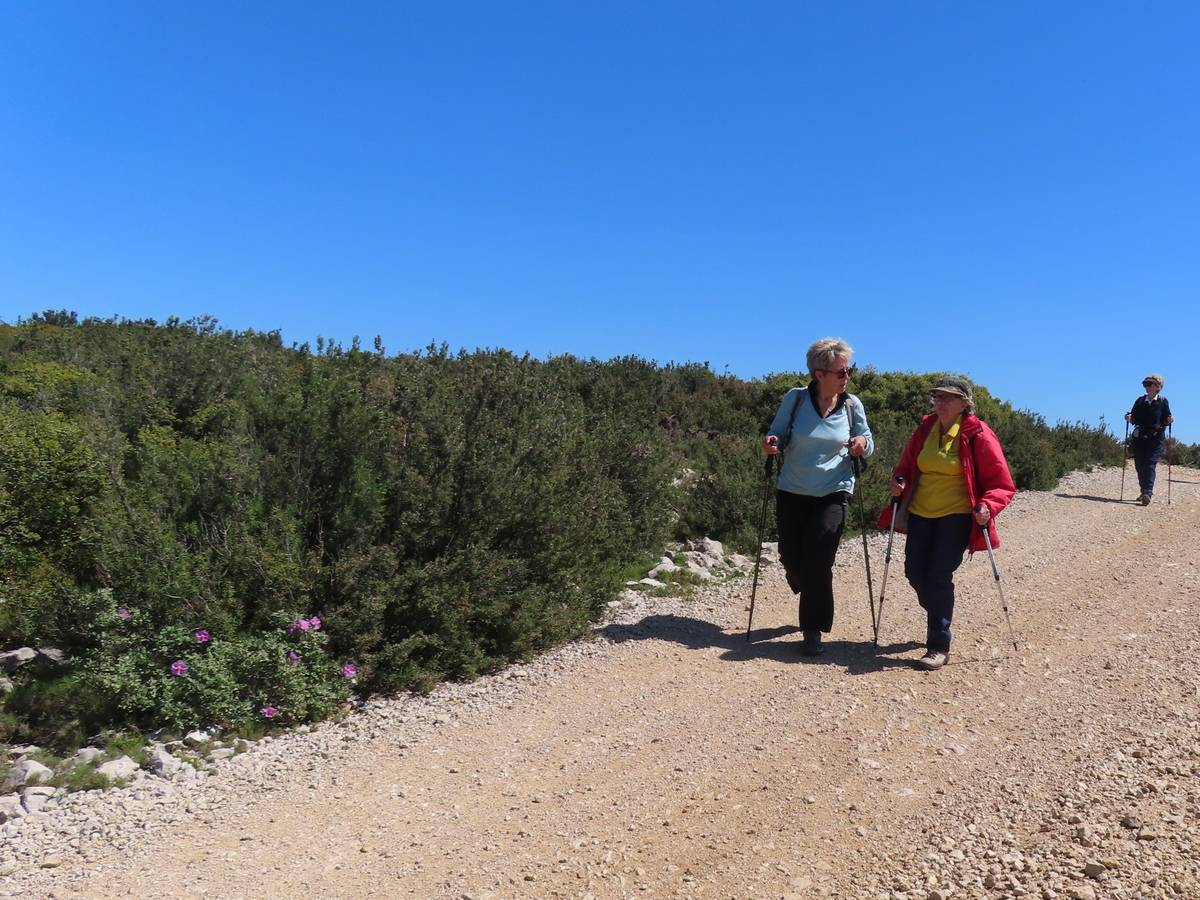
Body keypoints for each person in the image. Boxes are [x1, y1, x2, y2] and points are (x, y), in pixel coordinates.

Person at [879, 375, 1016, 671]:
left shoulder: (978, 433)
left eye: (947, 398)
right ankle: (938, 614)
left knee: (938, 575)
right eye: (937, 397)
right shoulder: (926, 428)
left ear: (964, 403)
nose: (939, 402)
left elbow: (1002, 484)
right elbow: (906, 465)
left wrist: (988, 506)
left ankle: (938, 645)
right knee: (914, 572)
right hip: (920, 512)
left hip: (955, 516)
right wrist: (899, 481)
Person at [762, 337, 874, 655]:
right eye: (840, 371)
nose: (846, 376)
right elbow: (778, 432)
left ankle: (813, 629)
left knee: (819, 560)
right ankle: (800, 578)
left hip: (834, 491)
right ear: (819, 373)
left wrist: (861, 445)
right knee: (790, 556)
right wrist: (771, 442)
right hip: (792, 489)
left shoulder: (852, 405)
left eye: (848, 370)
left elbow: (867, 439)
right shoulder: (795, 399)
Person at [1125, 374, 1174, 506]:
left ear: (1158, 386)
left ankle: (1148, 492)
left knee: (1150, 463)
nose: (1146, 386)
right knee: (1139, 465)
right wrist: (1129, 417)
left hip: (1156, 438)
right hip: (1140, 437)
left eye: (1149, 384)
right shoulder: (1140, 401)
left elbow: (1166, 418)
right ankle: (1143, 491)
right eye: (1145, 384)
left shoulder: (1163, 401)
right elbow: (1133, 417)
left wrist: (1169, 420)